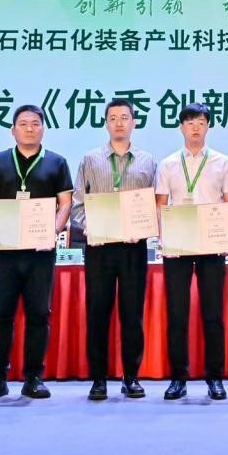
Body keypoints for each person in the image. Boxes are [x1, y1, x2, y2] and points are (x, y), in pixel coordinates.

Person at [0, 104, 73, 402]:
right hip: (5, 252)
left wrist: (52, 232)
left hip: (40, 252)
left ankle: (34, 377)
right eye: (23, 123)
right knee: (1, 314)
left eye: (35, 123)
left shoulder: (57, 162)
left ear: (43, 128)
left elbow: (65, 204)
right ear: (13, 130)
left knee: (38, 314)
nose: (29, 128)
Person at [72, 98, 157, 402]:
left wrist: (145, 228)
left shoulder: (148, 161)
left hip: (134, 248)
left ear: (134, 122)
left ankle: (131, 376)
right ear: (106, 123)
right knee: (98, 313)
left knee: (132, 314)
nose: (119, 123)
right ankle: (98, 379)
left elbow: (153, 205)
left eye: (124, 117)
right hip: (100, 247)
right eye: (113, 118)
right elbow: (78, 205)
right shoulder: (90, 159)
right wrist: (93, 229)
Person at [155, 102, 228, 401]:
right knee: (177, 314)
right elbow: (161, 205)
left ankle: (215, 377)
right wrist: (165, 238)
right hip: (178, 246)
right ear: (181, 127)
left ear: (208, 127)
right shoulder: (168, 164)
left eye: (201, 122)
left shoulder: (222, 162)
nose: (195, 127)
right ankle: (178, 377)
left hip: (211, 245)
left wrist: (225, 236)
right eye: (190, 122)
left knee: (212, 314)